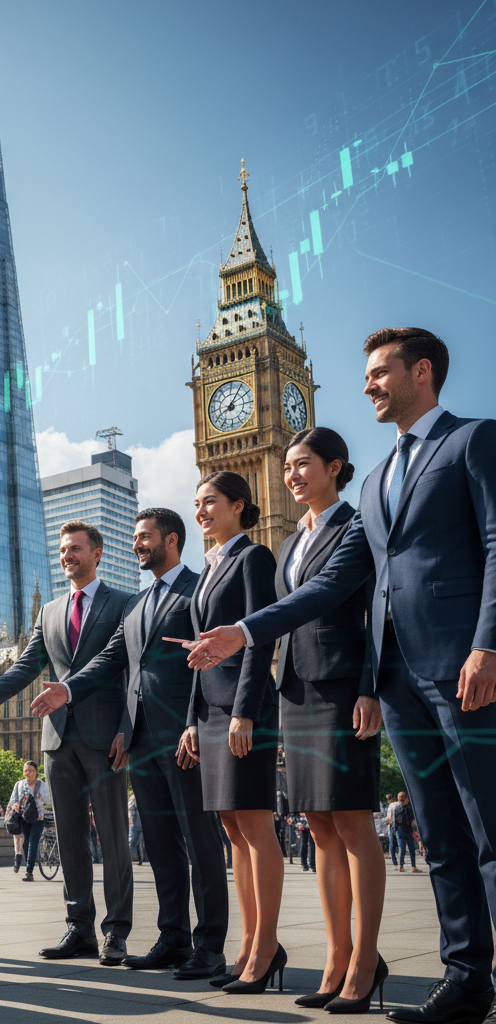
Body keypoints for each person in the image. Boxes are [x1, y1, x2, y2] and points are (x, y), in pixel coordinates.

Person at [188, 328, 496, 1024]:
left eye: (381, 372)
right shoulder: (379, 483)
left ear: (422, 371)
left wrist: (489, 644)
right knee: (442, 837)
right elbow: (327, 591)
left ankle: (395, 966)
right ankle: (466, 979)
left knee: (486, 832)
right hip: (393, 679)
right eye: (365, 375)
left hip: (456, 666)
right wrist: (245, 631)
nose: (368, 385)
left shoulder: (471, 441)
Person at [49, 508, 230, 980]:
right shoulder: (136, 603)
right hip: (142, 737)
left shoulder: (199, 589)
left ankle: (210, 944)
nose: (137, 544)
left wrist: (196, 721)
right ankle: (172, 937)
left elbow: (210, 659)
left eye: (144, 537)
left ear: (171, 540)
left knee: (199, 840)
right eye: (134, 537)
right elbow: (112, 661)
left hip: (185, 734)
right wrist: (68, 689)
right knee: (160, 842)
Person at [273, 426, 388, 1010]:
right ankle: (337, 955)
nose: (292, 474)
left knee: (352, 821)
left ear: (335, 467)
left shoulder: (355, 525)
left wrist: (370, 688)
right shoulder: (292, 541)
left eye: (303, 464)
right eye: (288, 466)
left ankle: (366, 963)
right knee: (317, 824)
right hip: (296, 691)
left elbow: (373, 613)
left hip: (342, 687)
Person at [0, 521, 133, 965]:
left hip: (106, 736)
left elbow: (128, 668)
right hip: (57, 738)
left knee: (112, 834)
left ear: (97, 553)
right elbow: (28, 665)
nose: (68, 555)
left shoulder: (124, 602)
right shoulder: (49, 611)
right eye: (63, 550)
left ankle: (116, 930)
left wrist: (126, 725)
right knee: (68, 837)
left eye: (76, 549)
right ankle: (79, 927)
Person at [175, 471, 284, 994]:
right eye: (196, 504)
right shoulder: (208, 569)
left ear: (239, 506)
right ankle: (247, 944)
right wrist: (194, 719)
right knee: (234, 831)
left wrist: (245, 711)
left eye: (210, 503)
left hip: (244, 710)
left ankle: (266, 946)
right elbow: (200, 652)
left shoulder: (253, 558)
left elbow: (260, 638)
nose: (200, 512)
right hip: (212, 712)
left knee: (256, 826)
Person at [9, 763, 50, 881]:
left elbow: (47, 802)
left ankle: (29, 872)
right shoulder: (19, 784)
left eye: (30, 770)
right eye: (25, 770)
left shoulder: (42, 786)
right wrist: (11, 812)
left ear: (36, 772)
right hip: (25, 818)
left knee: (33, 842)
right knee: (26, 842)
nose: (27, 773)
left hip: (38, 819)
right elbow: (13, 800)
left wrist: (43, 812)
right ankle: (28, 865)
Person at [392, 793, 421, 874]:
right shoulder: (397, 807)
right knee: (402, 849)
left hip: (409, 830)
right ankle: (401, 866)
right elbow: (394, 819)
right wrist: (395, 830)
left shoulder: (410, 807)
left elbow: (412, 818)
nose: (401, 799)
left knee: (412, 849)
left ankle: (414, 866)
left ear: (406, 798)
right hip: (400, 831)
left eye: (402, 797)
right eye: (399, 797)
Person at [385, 794, 401, 868]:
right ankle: (401, 861)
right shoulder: (399, 804)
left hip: (392, 825)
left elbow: (388, 818)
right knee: (399, 842)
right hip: (400, 825)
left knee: (392, 843)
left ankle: (395, 861)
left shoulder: (391, 805)